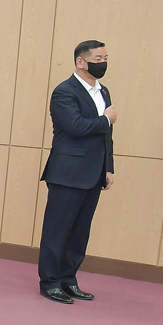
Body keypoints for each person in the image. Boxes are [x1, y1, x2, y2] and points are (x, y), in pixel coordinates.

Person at [39, 40, 116, 304]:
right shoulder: (64, 91)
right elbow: (75, 126)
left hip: (94, 173)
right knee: (57, 230)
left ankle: (68, 279)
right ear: (81, 61)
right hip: (67, 173)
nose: (103, 63)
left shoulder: (103, 91)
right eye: (98, 59)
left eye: (106, 58)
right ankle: (50, 282)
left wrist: (109, 167)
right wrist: (105, 119)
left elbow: (107, 135)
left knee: (80, 231)